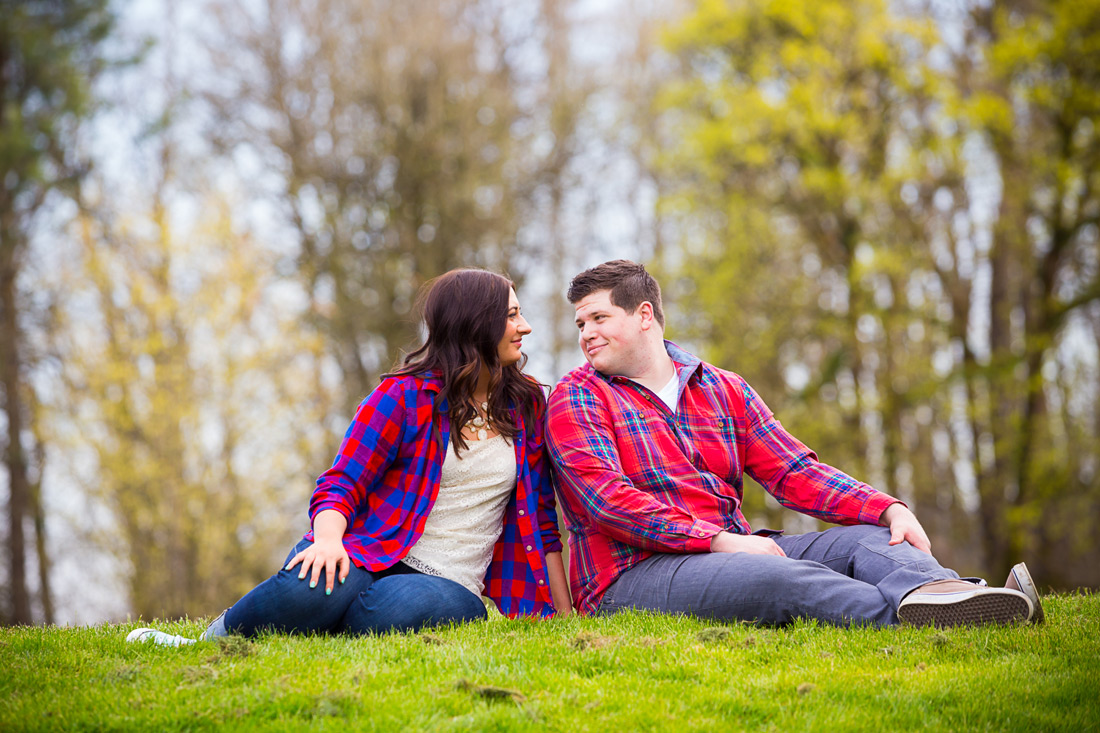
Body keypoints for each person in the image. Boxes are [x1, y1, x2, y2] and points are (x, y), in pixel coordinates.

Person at [545, 259, 1043, 628]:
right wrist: (724, 543)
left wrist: (887, 508)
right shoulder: (578, 396)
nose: (586, 333)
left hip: (731, 550)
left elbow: (795, 473)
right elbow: (607, 501)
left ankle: (944, 593)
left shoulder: (722, 388)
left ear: (644, 315)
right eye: (580, 324)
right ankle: (956, 616)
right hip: (632, 574)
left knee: (868, 540)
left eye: (598, 318)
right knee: (779, 581)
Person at [129, 268, 571, 646]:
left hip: (450, 583)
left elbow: (543, 523)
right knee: (316, 586)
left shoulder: (527, 406)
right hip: (372, 551)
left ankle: (321, 624)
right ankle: (207, 643)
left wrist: (566, 617)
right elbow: (343, 482)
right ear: (476, 324)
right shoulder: (402, 397)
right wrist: (326, 542)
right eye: (512, 315)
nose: (525, 326)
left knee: (395, 610)